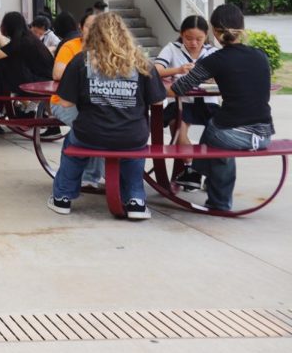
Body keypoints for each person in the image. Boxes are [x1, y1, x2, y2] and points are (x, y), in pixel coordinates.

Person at [48, 11, 165, 219]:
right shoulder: (142, 62)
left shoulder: (81, 61)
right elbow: (157, 101)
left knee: (72, 148)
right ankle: (135, 201)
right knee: (134, 150)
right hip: (131, 134)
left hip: (90, 134)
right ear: (123, 33)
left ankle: (62, 198)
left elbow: (65, 102)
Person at [170, 4, 274, 212]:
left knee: (215, 132)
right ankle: (198, 177)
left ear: (215, 32)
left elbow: (179, 88)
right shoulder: (260, 55)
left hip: (233, 135)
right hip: (264, 135)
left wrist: (152, 90)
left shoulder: (215, 60)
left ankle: (206, 187)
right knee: (217, 128)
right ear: (242, 28)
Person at [155, 15, 219, 177]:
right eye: (188, 38)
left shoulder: (212, 52)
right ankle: (191, 168)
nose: (194, 43)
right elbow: (155, 70)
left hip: (208, 102)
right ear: (181, 34)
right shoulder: (172, 48)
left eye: (199, 39)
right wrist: (178, 70)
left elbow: (225, 75)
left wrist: (213, 77)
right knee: (177, 127)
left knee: (218, 131)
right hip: (181, 102)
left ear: (206, 36)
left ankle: (202, 171)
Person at [48, 11, 104, 186]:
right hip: (64, 102)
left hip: (95, 104)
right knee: (92, 127)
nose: (93, 31)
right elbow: (57, 73)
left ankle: (93, 175)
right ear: (81, 28)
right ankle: (87, 177)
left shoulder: (107, 48)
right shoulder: (71, 46)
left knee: (107, 124)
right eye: (89, 26)